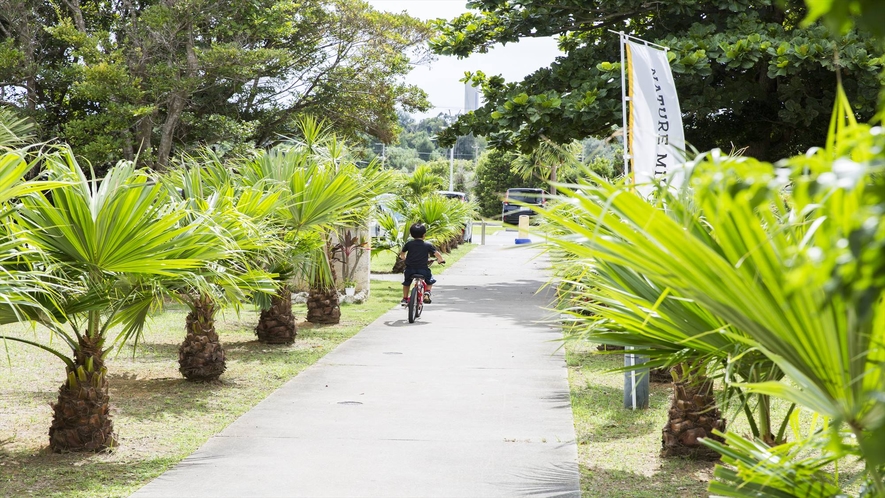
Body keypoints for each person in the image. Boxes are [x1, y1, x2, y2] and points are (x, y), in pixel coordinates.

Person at [400, 223, 445, 305]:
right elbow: (437, 254)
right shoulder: (427, 245)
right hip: (423, 270)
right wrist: (441, 259)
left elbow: (402, 254)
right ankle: (427, 293)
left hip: (410, 269)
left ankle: (405, 298)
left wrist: (404, 258)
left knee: (406, 283)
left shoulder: (409, 244)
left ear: (411, 234)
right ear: (424, 235)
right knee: (430, 280)